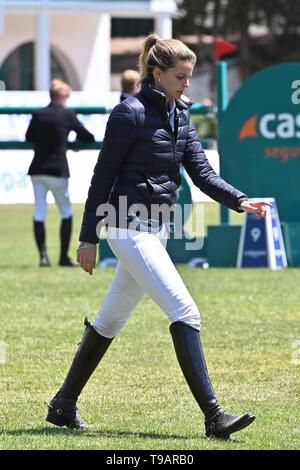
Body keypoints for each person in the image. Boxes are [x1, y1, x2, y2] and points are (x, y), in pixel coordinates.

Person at [46, 35, 271, 439]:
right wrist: (87, 238)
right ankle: (214, 417)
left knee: (110, 320)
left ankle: (62, 404)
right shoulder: (128, 114)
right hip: (127, 228)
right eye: (181, 76)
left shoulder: (181, 116)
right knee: (186, 312)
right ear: (157, 74)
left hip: (158, 229)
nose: (188, 83)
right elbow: (103, 178)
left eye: (189, 76)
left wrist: (240, 201)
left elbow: (202, 173)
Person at [26, 79, 95, 267]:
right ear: (63, 96)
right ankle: (63, 257)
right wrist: (71, 141)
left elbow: (29, 137)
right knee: (66, 212)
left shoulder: (38, 114)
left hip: (37, 169)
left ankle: (43, 256)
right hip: (58, 170)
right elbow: (88, 136)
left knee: (39, 212)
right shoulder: (67, 114)